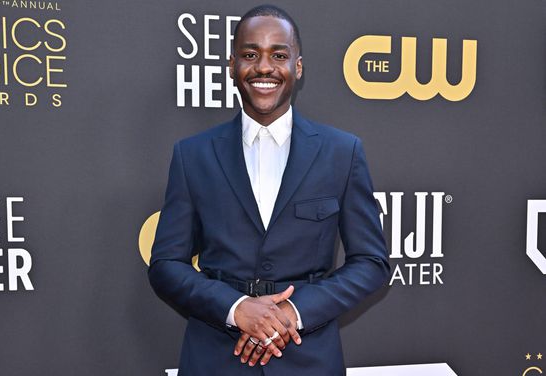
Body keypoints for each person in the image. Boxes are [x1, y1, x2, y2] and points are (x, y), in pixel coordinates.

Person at [148, 5, 390, 375]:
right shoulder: (192, 155)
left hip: (308, 358)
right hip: (216, 357)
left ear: (298, 66)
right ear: (232, 65)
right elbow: (165, 264)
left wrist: (293, 312)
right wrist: (235, 308)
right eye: (250, 55)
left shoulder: (342, 152)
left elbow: (371, 263)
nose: (264, 67)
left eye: (279, 55)